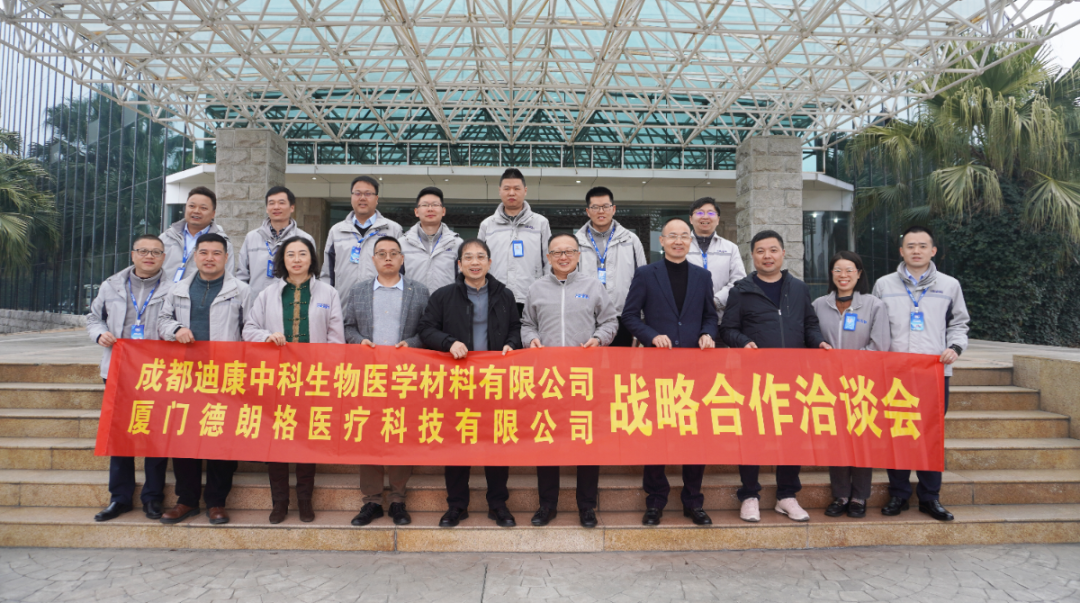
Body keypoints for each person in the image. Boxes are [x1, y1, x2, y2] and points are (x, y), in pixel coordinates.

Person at [720, 229, 831, 523]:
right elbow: (727, 329)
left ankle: (787, 496)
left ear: (783, 253)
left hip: (794, 376)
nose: (767, 256)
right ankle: (750, 495)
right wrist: (743, 341)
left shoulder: (799, 288)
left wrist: (818, 342)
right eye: (760, 251)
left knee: (791, 436)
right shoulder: (741, 291)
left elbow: (810, 324)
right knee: (752, 436)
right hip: (753, 378)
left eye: (772, 250)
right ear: (752, 256)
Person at [418, 238, 522, 528]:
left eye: (480, 257)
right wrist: (448, 342)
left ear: (489, 263)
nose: (475, 262)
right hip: (457, 382)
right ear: (459, 264)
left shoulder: (505, 295)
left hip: (494, 382)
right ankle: (456, 505)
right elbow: (426, 329)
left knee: (497, 443)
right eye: (468, 257)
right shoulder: (443, 296)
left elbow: (516, 328)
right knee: (457, 443)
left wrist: (512, 344)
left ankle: (498, 504)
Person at [621, 218, 718, 527]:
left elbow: (710, 316)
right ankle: (655, 501)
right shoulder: (646, 274)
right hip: (657, 367)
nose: (678, 241)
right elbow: (629, 316)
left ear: (691, 241)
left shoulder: (702, 276)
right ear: (661, 241)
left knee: (695, 436)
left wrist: (707, 333)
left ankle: (693, 501)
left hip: (694, 368)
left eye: (684, 236)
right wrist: (651, 336)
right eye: (672, 236)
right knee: (657, 435)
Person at [243, 236, 344, 525]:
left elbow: (336, 339)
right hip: (277, 378)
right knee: (275, 440)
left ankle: (304, 500)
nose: (297, 259)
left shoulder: (328, 293)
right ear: (282, 260)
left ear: (312, 259)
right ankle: (279, 502)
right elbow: (249, 329)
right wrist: (267, 336)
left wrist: (327, 374)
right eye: (290, 254)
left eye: (302, 254)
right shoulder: (267, 294)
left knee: (306, 439)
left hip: (313, 379)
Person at [521, 234, 619, 528]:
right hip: (547, 378)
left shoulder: (593, 286)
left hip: (583, 378)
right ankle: (547, 505)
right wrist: (531, 339)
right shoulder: (536, 288)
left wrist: (599, 339)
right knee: (546, 440)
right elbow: (527, 324)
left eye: (569, 252)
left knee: (585, 441)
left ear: (578, 255)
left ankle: (586, 506)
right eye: (557, 253)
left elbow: (610, 321)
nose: (563, 257)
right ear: (548, 257)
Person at [872, 225, 969, 522]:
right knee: (897, 433)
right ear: (901, 251)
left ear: (933, 250)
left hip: (934, 372)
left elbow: (959, 323)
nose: (916, 251)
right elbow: (876, 326)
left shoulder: (949, 285)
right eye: (910, 246)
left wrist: (955, 347)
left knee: (930, 434)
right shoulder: (883, 285)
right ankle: (899, 494)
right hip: (895, 373)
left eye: (922, 246)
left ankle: (930, 497)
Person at [157, 233, 253, 526]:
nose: (209, 258)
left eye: (216, 253)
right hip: (185, 375)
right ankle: (186, 500)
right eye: (204, 252)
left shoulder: (241, 291)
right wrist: (175, 329)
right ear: (195, 256)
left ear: (226, 257)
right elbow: (161, 321)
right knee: (184, 437)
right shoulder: (177, 290)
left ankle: (216, 502)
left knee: (220, 438)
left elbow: (250, 328)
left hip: (225, 376)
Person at [343, 236, 431, 528]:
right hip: (369, 376)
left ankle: (397, 499)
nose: (388, 258)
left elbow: (428, 329)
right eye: (382, 254)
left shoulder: (419, 291)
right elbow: (347, 327)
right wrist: (359, 341)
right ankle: (371, 500)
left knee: (400, 432)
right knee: (369, 434)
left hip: (405, 376)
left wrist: (412, 343)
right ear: (373, 260)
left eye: (394, 253)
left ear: (402, 259)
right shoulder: (358, 291)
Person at [86, 234, 172, 522]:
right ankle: (119, 497)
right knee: (121, 435)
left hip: (156, 372)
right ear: (132, 254)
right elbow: (93, 317)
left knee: (156, 436)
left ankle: (152, 497)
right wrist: (100, 334)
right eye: (143, 251)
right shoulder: (111, 285)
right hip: (119, 369)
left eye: (156, 252)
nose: (149, 256)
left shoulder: (174, 288)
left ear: (163, 257)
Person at [811, 250, 891, 519]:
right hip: (829, 385)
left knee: (861, 440)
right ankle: (841, 495)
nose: (843, 275)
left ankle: (859, 497)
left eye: (849, 270)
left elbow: (880, 346)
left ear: (859, 274)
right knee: (837, 441)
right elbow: (811, 340)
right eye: (837, 270)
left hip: (862, 386)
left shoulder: (874, 305)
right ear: (831, 274)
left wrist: (848, 364)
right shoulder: (818, 305)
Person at [574, 186, 647, 347]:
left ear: (613, 209)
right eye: (595, 207)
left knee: (621, 361)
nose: (601, 211)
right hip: (586, 316)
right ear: (588, 211)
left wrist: (641, 317)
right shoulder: (576, 241)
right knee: (589, 361)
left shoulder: (631, 240)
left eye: (605, 206)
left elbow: (643, 279)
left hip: (622, 314)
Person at [477, 168, 551, 310]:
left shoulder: (540, 223)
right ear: (500, 191)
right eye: (507, 188)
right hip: (495, 297)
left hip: (531, 297)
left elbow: (549, 261)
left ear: (525, 190)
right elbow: (479, 261)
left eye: (517, 188)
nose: (511, 193)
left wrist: (547, 292)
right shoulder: (487, 225)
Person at [321, 175, 404, 297]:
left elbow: (402, 270)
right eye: (357, 193)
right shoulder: (337, 230)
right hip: (344, 303)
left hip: (383, 302)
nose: (362, 198)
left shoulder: (393, 229)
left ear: (376, 198)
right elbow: (327, 273)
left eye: (368, 194)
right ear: (351, 197)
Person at [236, 186, 316, 295]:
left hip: (291, 301)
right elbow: (242, 276)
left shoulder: (305, 239)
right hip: (256, 302)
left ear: (292, 207)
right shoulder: (252, 237)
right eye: (271, 203)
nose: (276, 207)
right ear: (266, 208)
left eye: (281, 203)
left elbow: (311, 275)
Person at [685, 197, 746, 324]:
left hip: (722, 319)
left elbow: (739, 281)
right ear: (690, 219)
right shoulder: (681, 246)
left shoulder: (730, 248)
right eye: (699, 212)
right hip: (687, 318)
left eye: (711, 213)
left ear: (718, 219)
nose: (705, 217)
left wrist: (716, 301)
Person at [161, 186, 234, 282]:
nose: (196, 211)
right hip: (167, 291)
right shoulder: (166, 237)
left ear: (213, 214)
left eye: (203, 208)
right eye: (192, 206)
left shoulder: (223, 243)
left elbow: (228, 279)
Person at [401, 186, 462, 292]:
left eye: (435, 205)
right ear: (416, 212)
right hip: (413, 302)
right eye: (425, 205)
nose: (430, 209)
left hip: (446, 302)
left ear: (443, 211)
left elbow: (463, 281)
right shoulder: (402, 244)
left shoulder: (457, 244)